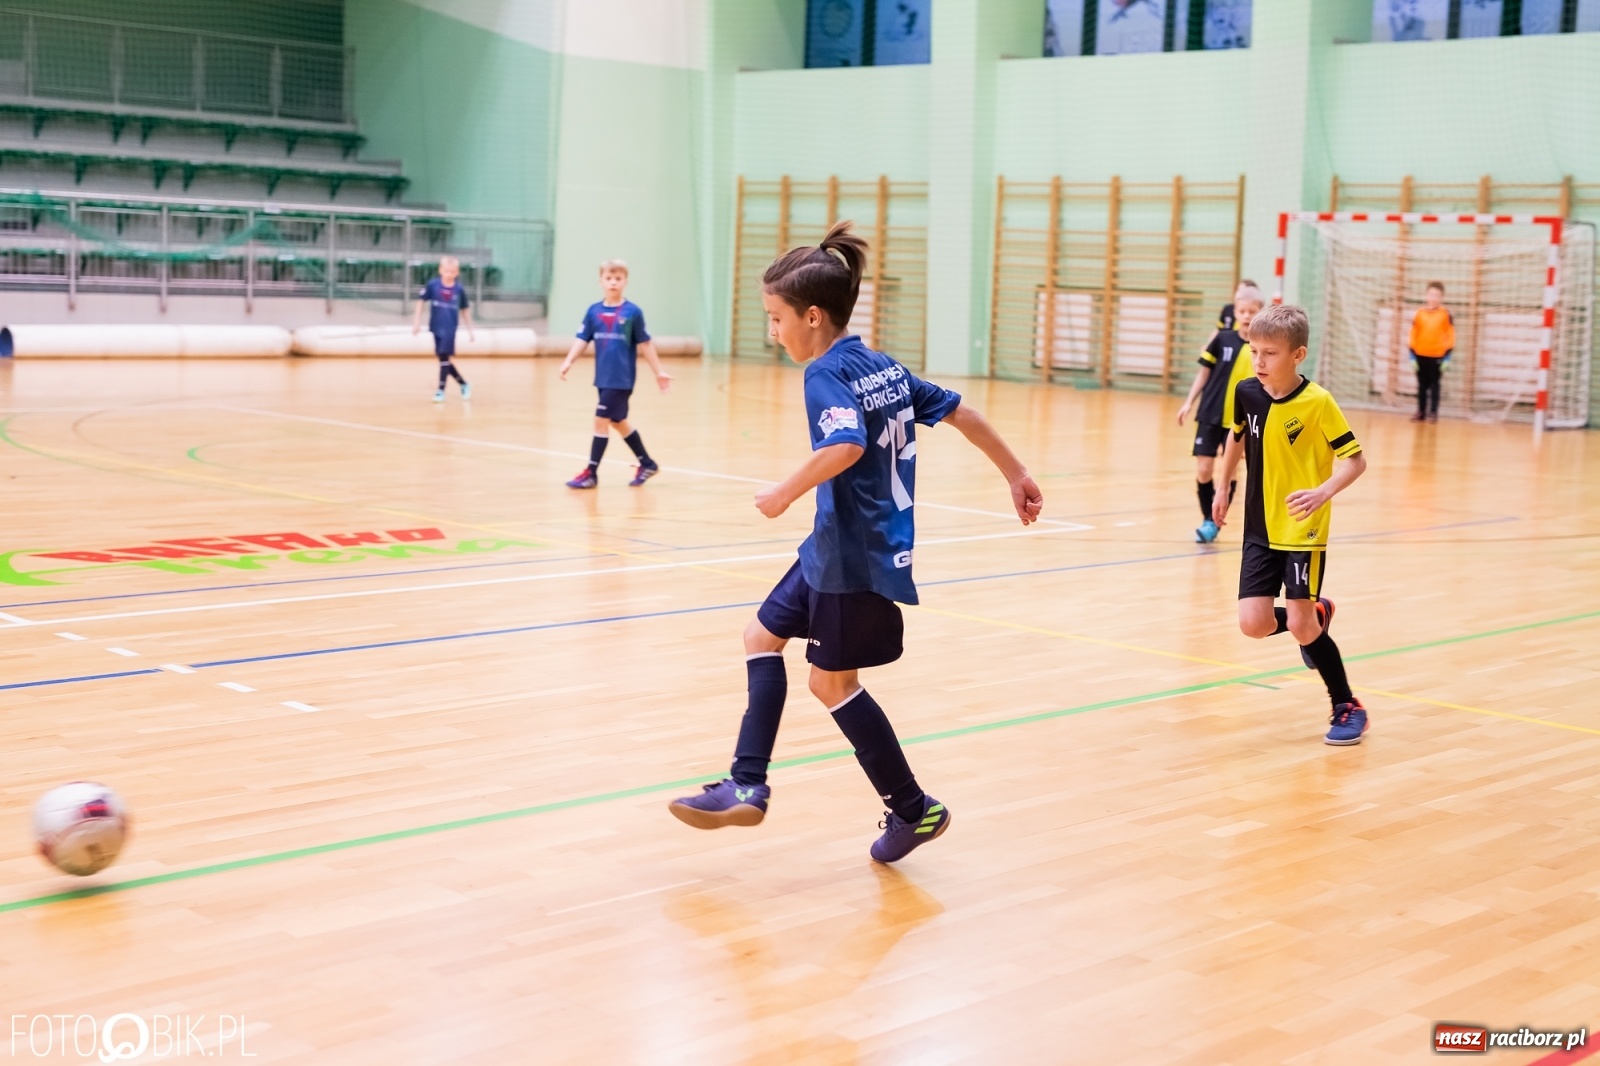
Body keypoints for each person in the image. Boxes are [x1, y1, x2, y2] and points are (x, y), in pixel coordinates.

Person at [667, 221, 1044, 862]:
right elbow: (964, 413)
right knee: (761, 637)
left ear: (812, 316)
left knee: (832, 684)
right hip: (832, 545)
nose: (773, 330)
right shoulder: (882, 366)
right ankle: (747, 783)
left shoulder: (824, 376)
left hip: (853, 555)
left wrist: (784, 492)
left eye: (776, 317)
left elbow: (844, 445)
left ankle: (915, 809)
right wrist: (1018, 472)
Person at [1212, 304, 1371, 745]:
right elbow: (1237, 436)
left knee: (1301, 627)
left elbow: (1355, 461)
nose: (1259, 362)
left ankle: (1346, 706)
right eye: (1254, 352)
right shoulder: (1248, 392)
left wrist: (1323, 491)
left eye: (1270, 354)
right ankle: (1318, 615)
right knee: (1253, 624)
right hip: (1260, 526)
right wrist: (1224, 486)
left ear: (1297, 355)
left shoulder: (1318, 402)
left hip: (1304, 526)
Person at [559, 259, 671, 488]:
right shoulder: (594, 311)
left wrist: (658, 371)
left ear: (625, 282)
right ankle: (647, 463)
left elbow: (646, 344)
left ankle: (591, 473)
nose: (613, 283)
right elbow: (582, 339)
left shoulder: (632, 312)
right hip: (602, 378)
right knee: (618, 421)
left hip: (621, 379)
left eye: (618, 279)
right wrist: (569, 360)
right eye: (608, 278)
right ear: (601, 281)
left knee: (600, 420)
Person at [1177, 285, 1263, 543]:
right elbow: (1204, 373)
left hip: (1239, 420)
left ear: (1260, 312)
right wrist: (1188, 402)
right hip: (1210, 412)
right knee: (1204, 469)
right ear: (1234, 312)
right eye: (1242, 311)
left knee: (1231, 472)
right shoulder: (1222, 339)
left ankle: (1214, 522)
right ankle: (1208, 518)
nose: (1247, 315)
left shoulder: (1262, 347)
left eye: (1252, 311)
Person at [412, 255, 474, 402]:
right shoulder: (433, 285)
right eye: (446, 271)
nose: (449, 274)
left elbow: (465, 309)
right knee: (443, 359)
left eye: (452, 272)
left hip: (450, 329)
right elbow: (421, 301)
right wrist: (416, 323)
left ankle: (440, 390)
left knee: (444, 358)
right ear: (441, 270)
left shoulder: (459, 289)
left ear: (457, 272)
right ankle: (464, 384)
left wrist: (471, 330)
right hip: (436, 327)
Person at [1409, 281, 1455, 423]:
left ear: (1441, 298)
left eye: (1437, 295)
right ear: (1426, 295)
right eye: (1431, 295)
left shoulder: (1445, 314)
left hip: (1437, 356)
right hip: (1420, 355)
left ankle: (1433, 413)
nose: (1434, 298)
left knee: (1435, 386)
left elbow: (1451, 335)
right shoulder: (1419, 314)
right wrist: (1412, 355)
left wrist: (1447, 357)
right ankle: (1421, 411)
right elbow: (1413, 334)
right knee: (1421, 386)